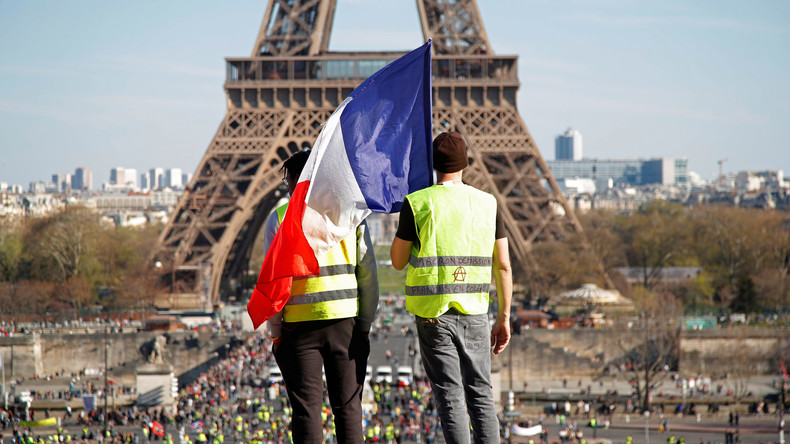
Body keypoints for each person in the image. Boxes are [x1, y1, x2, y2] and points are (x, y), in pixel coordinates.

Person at [390, 131, 512, 443]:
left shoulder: (417, 203)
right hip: (474, 313)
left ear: (433, 164)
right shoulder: (488, 203)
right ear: (465, 163)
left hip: (433, 315)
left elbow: (397, 261)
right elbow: (503, 266)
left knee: (449, 397)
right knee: (481, 395)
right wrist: (504, 317)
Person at [264, 150, 380, 443]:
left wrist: (276, 332)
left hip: (299, 326)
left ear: (295, 181)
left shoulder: (280, 218)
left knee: (305, 411)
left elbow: (274, 282)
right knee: (349, 408)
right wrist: (365, 324)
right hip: (345, 323)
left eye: (288, 180)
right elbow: (367, 274)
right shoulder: (350, 216)